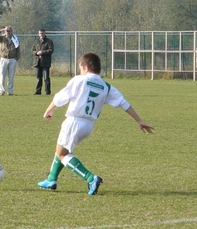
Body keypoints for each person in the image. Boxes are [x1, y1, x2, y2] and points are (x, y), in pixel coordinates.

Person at [37, 52, 154, 195]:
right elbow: (123, 103)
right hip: (88, 125)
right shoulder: (106, 86)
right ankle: (51, 179)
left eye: (80, 68)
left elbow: (61, 97)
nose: (80, 71)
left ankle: (91, 178)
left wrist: (49, 110)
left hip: (74, 122)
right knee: (63, 150)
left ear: (85, 67)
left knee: (63, 154)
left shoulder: (80, 80)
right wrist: (139, 120)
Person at [0, 26, 20, 96]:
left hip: (12, 59)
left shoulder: (15, 39)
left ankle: (10, 92)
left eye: (9, 31)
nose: (8, 32)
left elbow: (18, 49)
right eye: (7, 31)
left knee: (11, 76)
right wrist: (2, 30)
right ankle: (1, 91)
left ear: (11, 32)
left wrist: (16, 58)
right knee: (2, 75)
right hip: (4, 59)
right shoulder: (1, 38)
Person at [31, 29, 54, 95]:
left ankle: (47, 92)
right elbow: (32, 50)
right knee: (38, 77)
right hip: (37, 62)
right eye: (40, 33)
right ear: (38, 34)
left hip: (45, 62)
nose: (41, 34)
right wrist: (36, 53)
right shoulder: (36, 42)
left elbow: (51, 50)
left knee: (46, 78)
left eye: (42, 33)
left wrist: (42, 52)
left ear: (44, 33)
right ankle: (38, 91)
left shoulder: (49, 41)